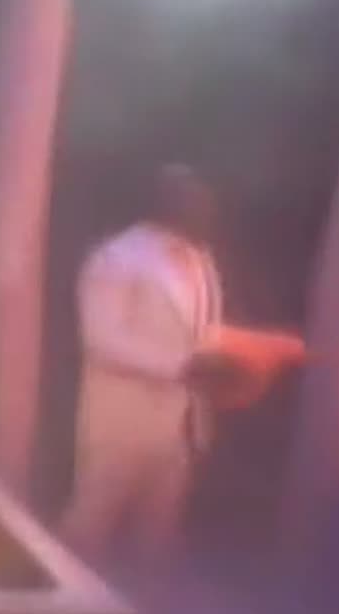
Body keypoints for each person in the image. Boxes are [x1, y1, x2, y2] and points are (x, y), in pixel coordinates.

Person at [62, 165, 229, 567]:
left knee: (160, 533)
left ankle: (147, 600)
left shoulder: (202, 260)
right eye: (192, 199)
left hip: (183, 424)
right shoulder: (116, 258)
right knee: (90, 526)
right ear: (164, 203)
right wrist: (182, 367)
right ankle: (67, 600)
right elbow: (101, 339)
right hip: (121, 422)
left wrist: (230, 360)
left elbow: (205, 328)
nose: (204, 209)